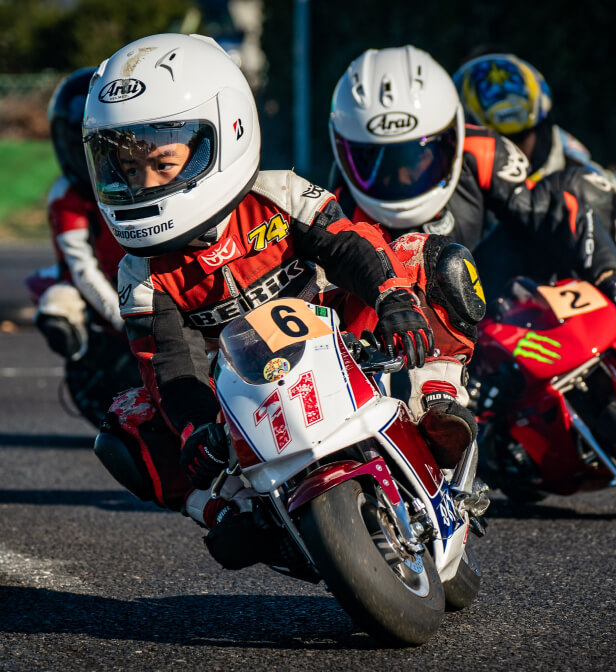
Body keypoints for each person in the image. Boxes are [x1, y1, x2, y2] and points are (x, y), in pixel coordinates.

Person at [85, 33, 483, 569]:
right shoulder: (140, 274)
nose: (143, 183)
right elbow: (170, 367)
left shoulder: (281, 193)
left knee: (424, 255)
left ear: (225, 135)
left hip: (338, 336)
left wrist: (392, 300)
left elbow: (350, 246)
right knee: (123, 424)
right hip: (238, 383)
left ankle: (436, 394)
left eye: (162, 163)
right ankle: (223, 509)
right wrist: (196, 428)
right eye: (129, 170)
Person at [328, 45, 616, 322]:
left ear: (454, 133)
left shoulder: (483, 150)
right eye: (373, 159)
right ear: (342, 150)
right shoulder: (337, 206)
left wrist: (610, 273)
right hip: (402, 324)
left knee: (584, 187)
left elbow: (549, 207)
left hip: (493, 299)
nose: (402, 176)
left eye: (418, 155)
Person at [451, 52, 616, 254]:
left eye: (522, 137)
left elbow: (606, 185)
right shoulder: (457, 176)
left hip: (578, 259)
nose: (511, 150)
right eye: (502, 140)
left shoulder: (561, 144)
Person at [28, 67, 126, 360]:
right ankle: (88, 361)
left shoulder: (141, 179)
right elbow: (82, 268)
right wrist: (123, 319)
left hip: (138, 277)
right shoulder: (66, 194)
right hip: (89, 285)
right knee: (57, 307)